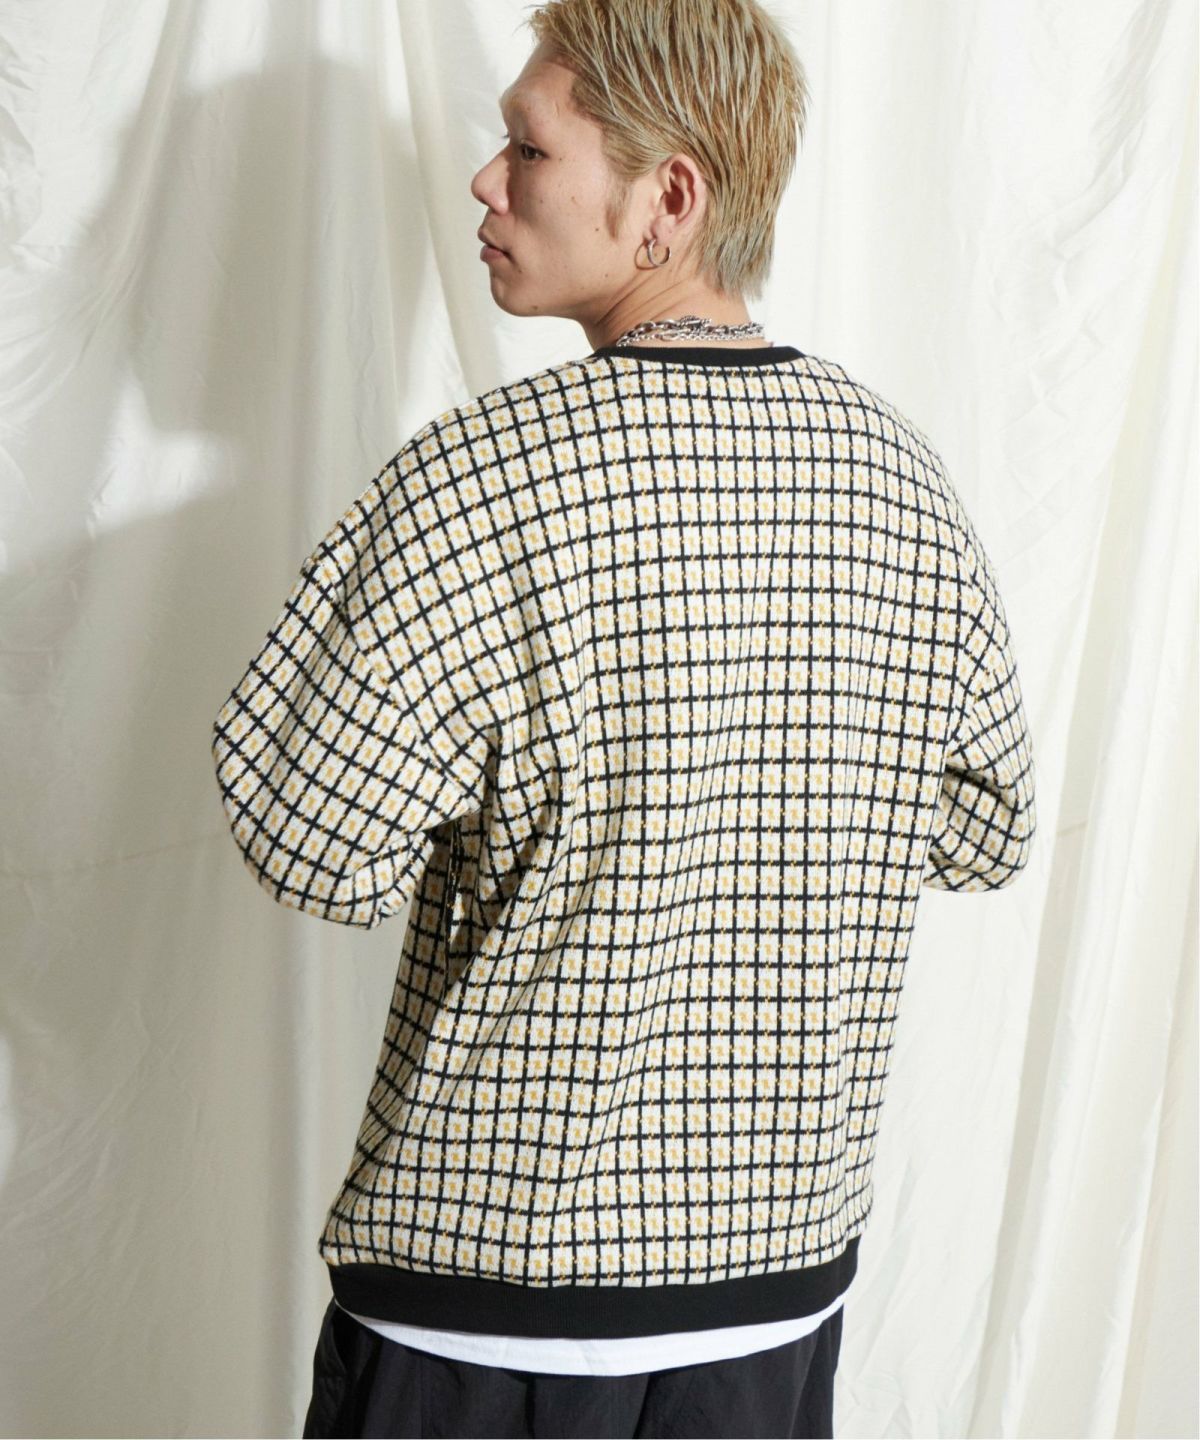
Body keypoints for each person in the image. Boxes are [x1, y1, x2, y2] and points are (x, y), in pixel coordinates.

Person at [210, 1, 1038, 1436]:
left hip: (487, 1299)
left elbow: (313, 847)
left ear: (671, 198)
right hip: (771, 1295)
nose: (485, 179)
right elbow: (985, 827)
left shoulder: (484, 477)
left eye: (528, 148)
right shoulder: (899, 479)